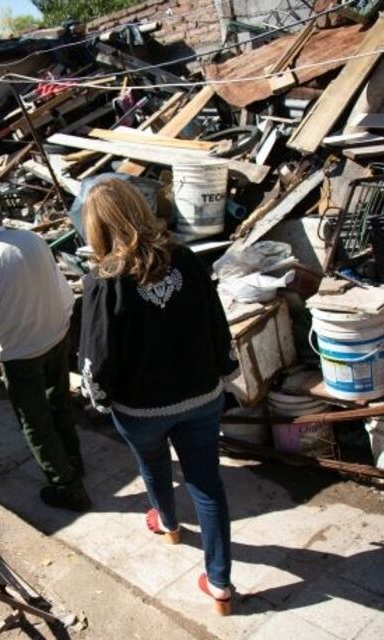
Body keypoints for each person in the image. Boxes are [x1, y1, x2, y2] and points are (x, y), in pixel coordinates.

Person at [77, 179, 239, 615]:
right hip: (202, 397)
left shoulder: (104, 280)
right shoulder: (185, 258)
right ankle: (220, 583)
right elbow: (216, 321)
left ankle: (167, 524)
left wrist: (99, 399)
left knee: (152, 466)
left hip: (141, 409)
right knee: (207, 484)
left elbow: (96, 355)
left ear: (96, 227)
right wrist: (227, 369)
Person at [0, 193, 90, 512]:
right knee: (59, 404)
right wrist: (60, 326)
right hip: (56, 338)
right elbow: (64, 293)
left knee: (35, 422)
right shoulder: (33, 241)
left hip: (21, 355)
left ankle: (68, 487)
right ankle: (74, 462)